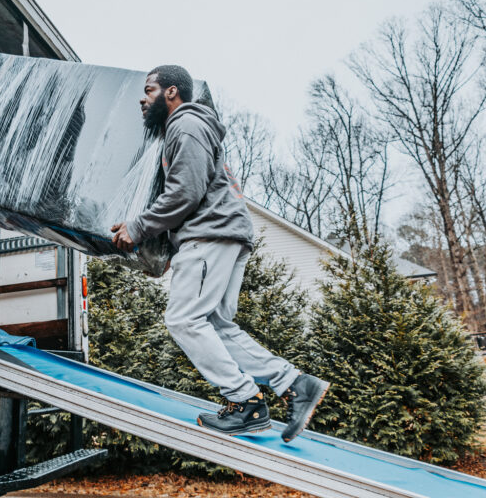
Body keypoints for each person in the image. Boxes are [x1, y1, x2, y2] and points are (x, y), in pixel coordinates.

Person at [111, 65, 329, 442]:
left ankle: (245, 403)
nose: (142, 99)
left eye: (149, 90)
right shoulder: (189, 128)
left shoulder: (185, 125)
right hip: (224, 235)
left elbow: (185, 193)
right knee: (213, 326)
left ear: (171, 92)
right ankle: (294, 384)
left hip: (209, 235)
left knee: (184, 319)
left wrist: (139, 227)